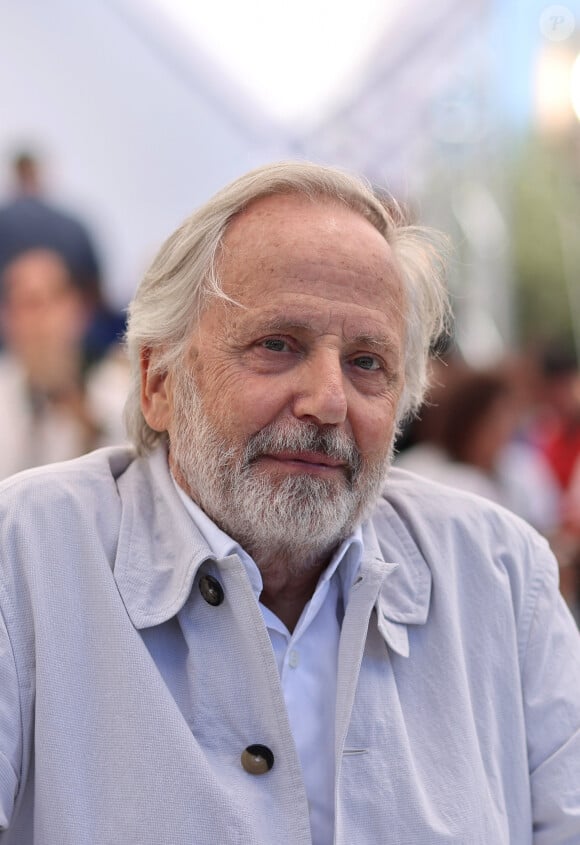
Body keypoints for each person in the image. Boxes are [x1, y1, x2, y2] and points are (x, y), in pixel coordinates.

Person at [0, 162, 578, 844]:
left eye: (367, 362)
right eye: (277, 345)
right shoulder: (27, 559)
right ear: (158, 380)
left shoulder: (502, 577)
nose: (328, 401)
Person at [0, 248, 128, 479]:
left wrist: (87, 424)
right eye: (29, 303)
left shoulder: (118, 386)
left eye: (55, 298)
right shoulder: (5, 390)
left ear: (79, 309)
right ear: (7, 317)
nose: (44, 317)